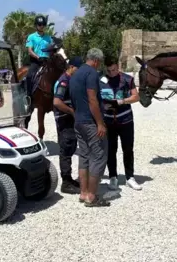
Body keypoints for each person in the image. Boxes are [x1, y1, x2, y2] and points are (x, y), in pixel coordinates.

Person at [69, 48, 110, 207]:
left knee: (84, 156)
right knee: (99, 156)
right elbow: (92, 100)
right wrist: (100, 123)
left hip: (79, 120)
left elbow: (72, 99)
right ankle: (92, 196)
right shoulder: (92, 73)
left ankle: (83, 192)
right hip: (90, 122)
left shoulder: (75, 74)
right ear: (97, 61)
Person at [100, 57, 142, 191]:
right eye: (109, 70)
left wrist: (122, 101)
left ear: (117, 67)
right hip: (108, 121)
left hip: (125, 120)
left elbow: (136, 97)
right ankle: (113, 177)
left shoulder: (127, 79)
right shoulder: (100, 80)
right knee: (111, 150)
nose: (111, 73)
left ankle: (130, 177)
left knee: (128, 149)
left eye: (113, 70)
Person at [52, 56, 84, 194]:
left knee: (70, 148)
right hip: (64, 120)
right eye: (78, 68)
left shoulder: (71, 80)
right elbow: (57, 102)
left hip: (70, 120)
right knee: (65, 149)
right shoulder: (64, 81)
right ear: (71, 67)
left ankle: (69, 179)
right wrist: (72, 112)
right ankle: (65, 182)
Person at [25, 15, 53, 97]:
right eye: (39, 25)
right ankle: (29, 96)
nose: (41, 26)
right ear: (36, 25)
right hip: (36, 61)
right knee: (29, 76)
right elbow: (30, 51)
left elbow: (51, 49)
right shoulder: (31, 37)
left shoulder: (48, 37)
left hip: (47, 61)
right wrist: (38, 57)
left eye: (43, 25)